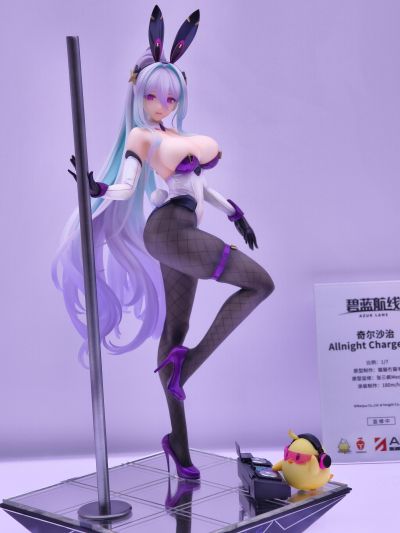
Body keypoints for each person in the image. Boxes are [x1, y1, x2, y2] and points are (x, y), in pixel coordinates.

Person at [53, 5, 274, 479]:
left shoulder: (177, 135)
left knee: (176, 327)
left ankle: (180, 446)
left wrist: (235, 214)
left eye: (170, 97)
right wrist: (97, 189)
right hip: (170, 232)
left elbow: (197, 189)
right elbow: (128, 185)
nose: (161, 103)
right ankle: (185, 368)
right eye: (152, 95)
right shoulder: (142, 136)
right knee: (260, 283)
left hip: (180, 230)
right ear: (138, 93)